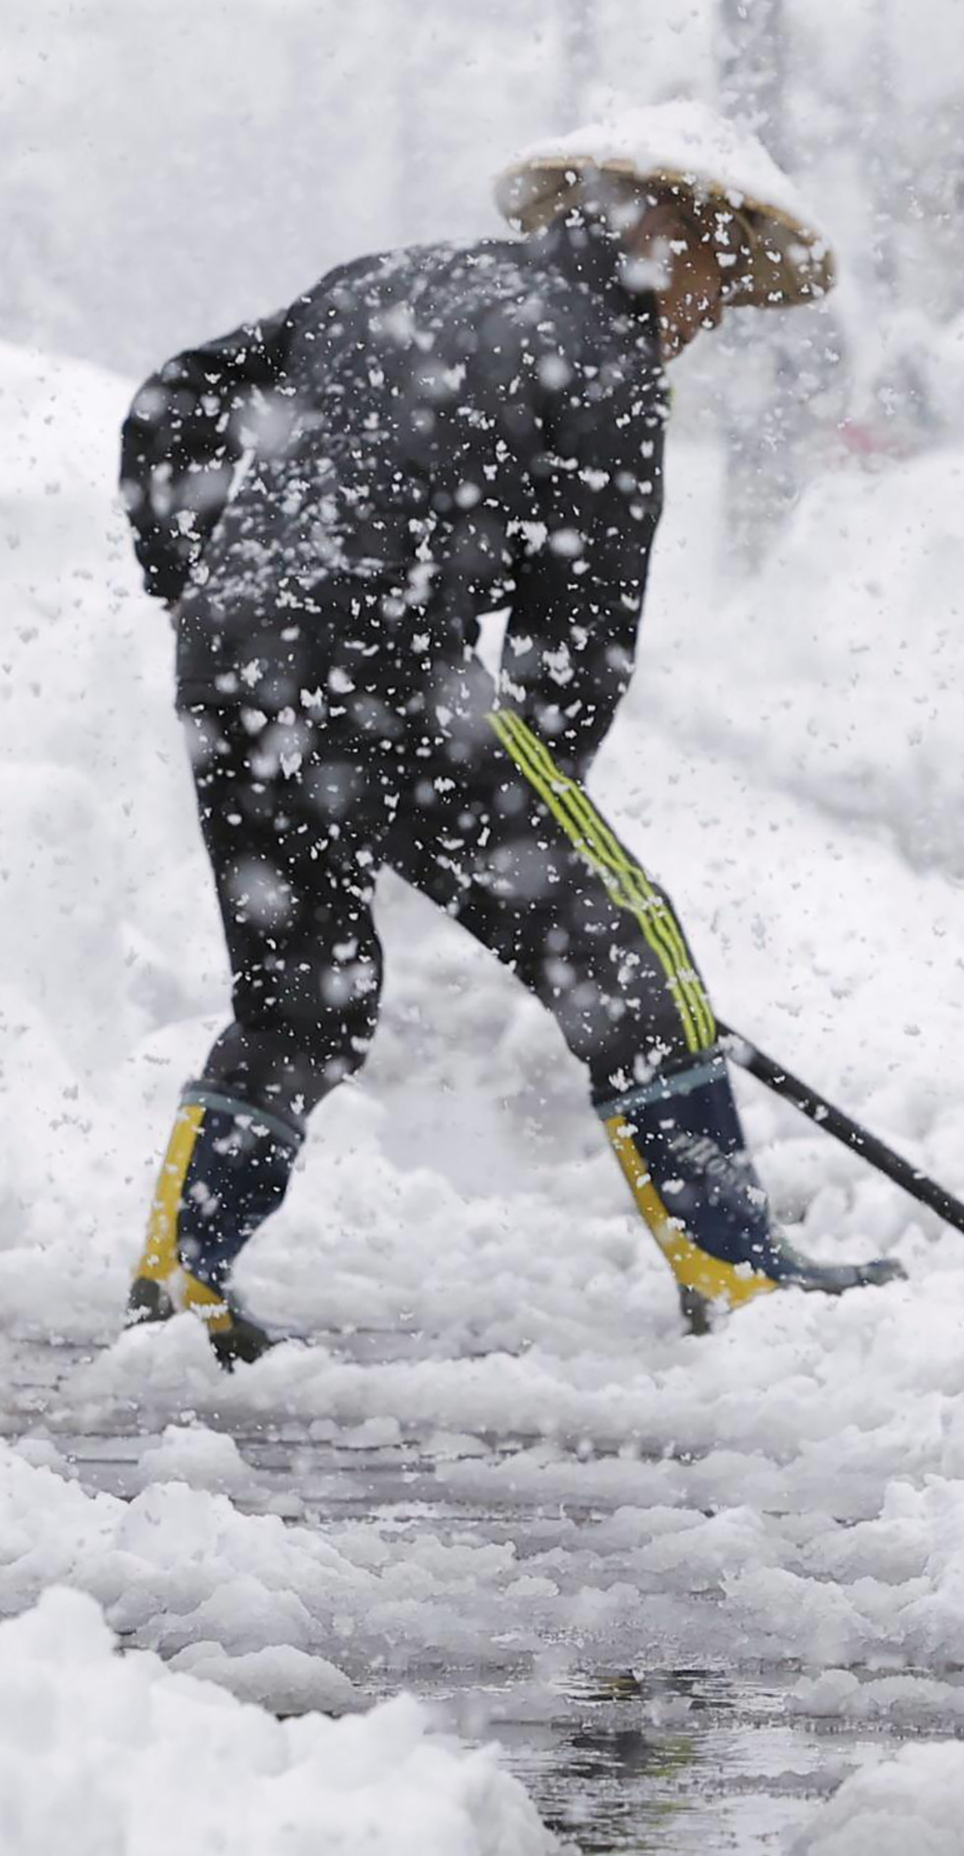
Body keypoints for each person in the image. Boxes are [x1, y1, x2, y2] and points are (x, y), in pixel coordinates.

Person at [115, 102, 901, 1362]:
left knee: (304, 994)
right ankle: (734, 1264)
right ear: (676, 240)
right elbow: (575, 646)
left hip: (234, 666)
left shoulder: (388, 281)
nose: (708, 321)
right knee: (629, 941)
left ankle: (181, 1268)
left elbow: (174, 399)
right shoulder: (600, 357)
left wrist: (202, 582)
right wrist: (534, 840)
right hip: (386, 671)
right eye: (718, 286)